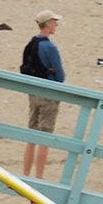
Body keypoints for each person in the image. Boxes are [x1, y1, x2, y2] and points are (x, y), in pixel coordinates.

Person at [19, 11, 66, 179]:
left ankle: (25, 173)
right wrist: (51, 71)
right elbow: (60, 76)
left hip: (33, 92)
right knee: (45, 136)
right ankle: (38, 176)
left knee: (31, 134)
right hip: (48, 93)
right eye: (54, 21)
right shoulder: (50, 47)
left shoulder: (30, 44)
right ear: (47, 24)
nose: (56, 24)